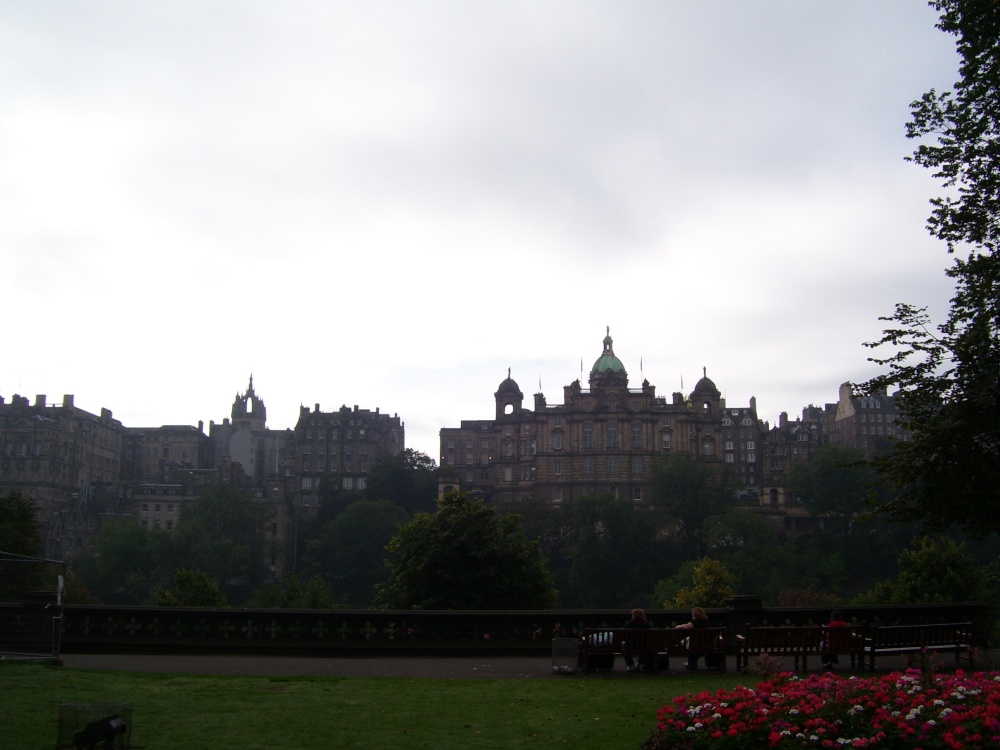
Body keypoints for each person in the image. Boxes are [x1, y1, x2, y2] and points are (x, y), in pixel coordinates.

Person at [622, 608, 653, 672]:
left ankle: (630, 664)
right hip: (644, 646)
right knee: (647, 647)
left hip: (630, 646)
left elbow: (624, 637)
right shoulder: (647, 625)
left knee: (623, 646)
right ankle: (639, 663)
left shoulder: (628, 625)